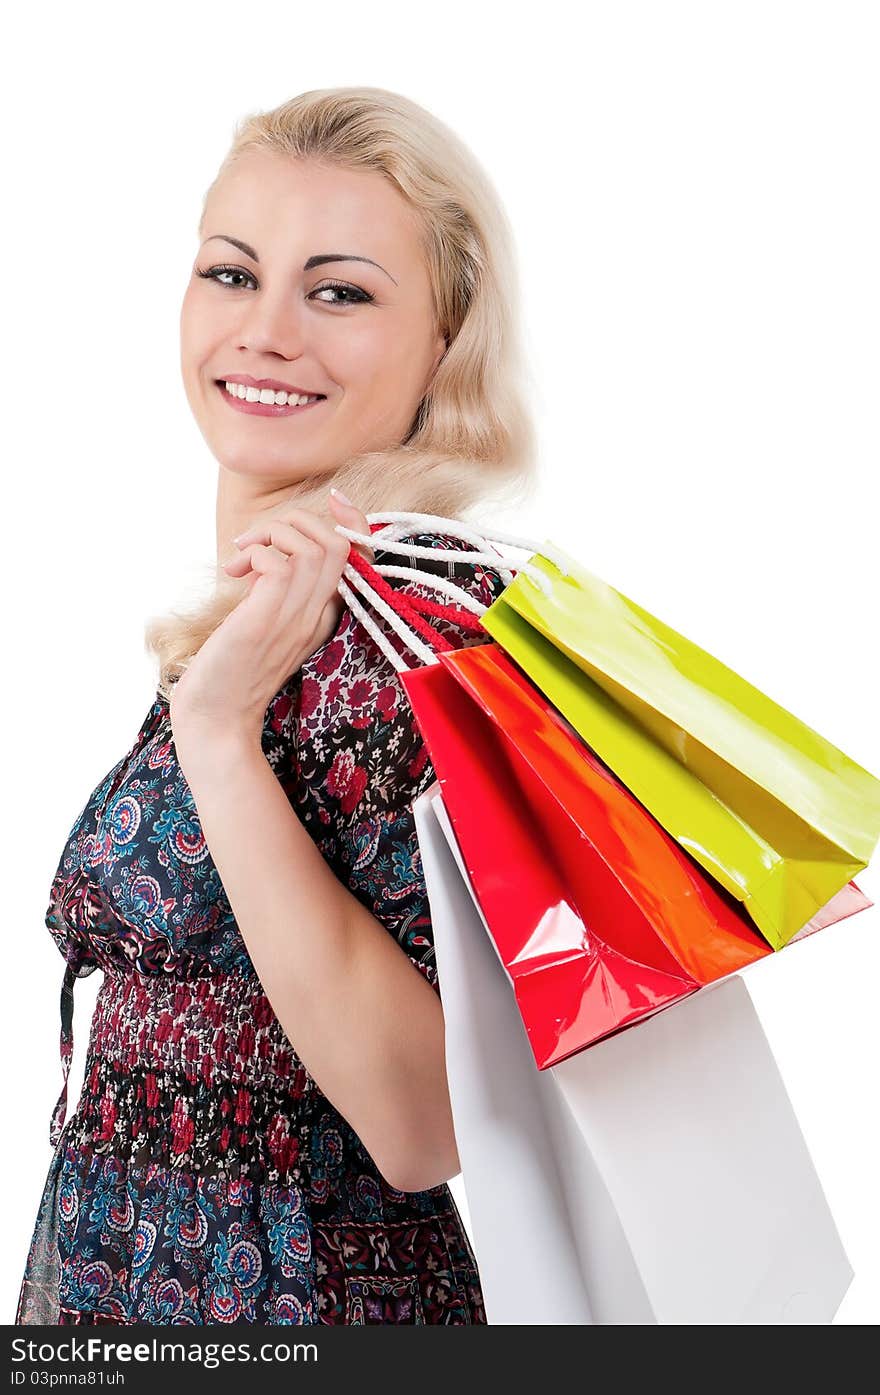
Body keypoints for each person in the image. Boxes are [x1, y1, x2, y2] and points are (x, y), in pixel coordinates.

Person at [15, 85, 537, 1326]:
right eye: (231, 274)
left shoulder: (416, 629)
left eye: (340, 290)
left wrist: (216, 734)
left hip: (299, 1304)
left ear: (446, 339)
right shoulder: (279, 616)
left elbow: (424, 1122)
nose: (266, 332)